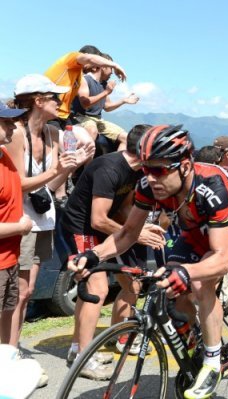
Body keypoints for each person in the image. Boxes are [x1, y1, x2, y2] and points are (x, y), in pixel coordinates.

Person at [68, 124, 228, 398]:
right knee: (172, 292)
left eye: (159, 169)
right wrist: (93, 255)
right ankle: (195, 334)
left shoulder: (212, 185)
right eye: (145, 168)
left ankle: (212, 362)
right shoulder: (148, 184)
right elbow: (127, 234)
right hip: (195, 228)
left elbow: (222, 257)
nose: (150, 177)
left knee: (199, 282)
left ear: (184, 166)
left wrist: (188, 272)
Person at [60, 125, 164, 379]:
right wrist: (136, 234)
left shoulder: (135, 172)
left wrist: (141, 226)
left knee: (131, 284)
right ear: (144, 151)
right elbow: (98, 220)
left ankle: (83, 348)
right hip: (81, 227)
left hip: (104, 228)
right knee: (96, 290)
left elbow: (124, 210)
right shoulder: (110, 169)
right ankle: (82, 358)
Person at [5, 76, 81, 388]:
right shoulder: (16, 134)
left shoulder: (52, 133)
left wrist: (70, 167)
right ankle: (8, 355)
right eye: (54, 97)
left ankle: (12, 351)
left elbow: (48, 185)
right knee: (18, 294)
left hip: (43, 219)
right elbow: (14, 184)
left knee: (27, 291)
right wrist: (54, 170)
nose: (60, 101)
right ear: (37, 100)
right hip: (19, 220)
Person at [0, 101, 32, 347]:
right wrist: (20, 228)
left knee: (7, 313)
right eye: (6, 122)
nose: (13, 127)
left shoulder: (6, 156)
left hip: (10, 258)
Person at [44, 46, 127, 129]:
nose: (95, 67)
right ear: (85, 56)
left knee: (86, 140)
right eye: (95, 64)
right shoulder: (70, 58)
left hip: (64, 116)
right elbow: (85, 103)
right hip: (50, 113)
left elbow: (107, 106)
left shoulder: (79, 75)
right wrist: (115, 66)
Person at [71, 52, 139, 152]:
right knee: (92, 131)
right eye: (110, 68)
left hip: (98, 120)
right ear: (103, 67)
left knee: (126, 138)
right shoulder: (85, 80)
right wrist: (106, 92)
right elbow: (85, 103)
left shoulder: (103, 84)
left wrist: (123, 101)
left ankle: (115, 164)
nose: (112, 72)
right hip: (82, 117)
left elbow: (107, 106)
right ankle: (84, 165)